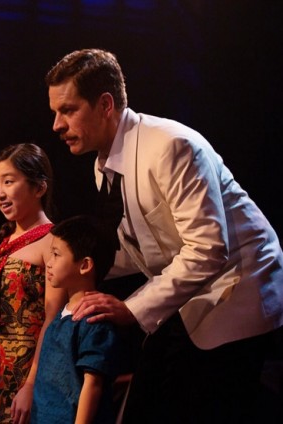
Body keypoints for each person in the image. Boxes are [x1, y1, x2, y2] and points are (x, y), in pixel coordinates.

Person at [45, 48, 283, 423]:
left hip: (237, 292)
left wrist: (130, 308)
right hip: (189, 294)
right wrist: (71, 267)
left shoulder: (170, 146)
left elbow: (208, 250)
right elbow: (139, 246)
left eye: (68, 110)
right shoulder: (103, 164)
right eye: (55, 112)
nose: (56, 124)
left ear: (105, 104)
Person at [0, 143, 69, 424]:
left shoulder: (54, 241)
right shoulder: (3, 245)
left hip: (25, 370)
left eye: (8, 182)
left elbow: (52, 318)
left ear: (39, 188)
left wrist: (32, 383)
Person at [31, 215, 121, 424]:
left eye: (56, 254)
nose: (49, 263)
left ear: (84, 265)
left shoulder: (93, 322)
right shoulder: (62, 316)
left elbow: (93, 385)